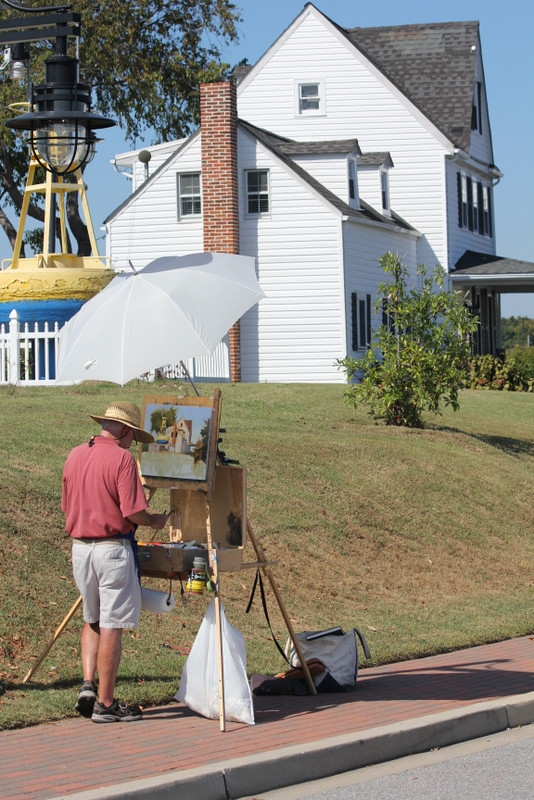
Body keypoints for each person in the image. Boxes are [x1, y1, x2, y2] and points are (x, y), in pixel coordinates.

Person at [62, 401, 169, 723]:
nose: (132, 443)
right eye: (133, 436)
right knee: (112, 624)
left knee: (91, 616)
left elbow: (67, 504)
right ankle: (106, 704)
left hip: (81, 547)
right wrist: (154, 520)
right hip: (112, 548)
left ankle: (87, 685)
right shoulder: (121, 459)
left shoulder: (75, 453)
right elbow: (132, 512)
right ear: (123, 429)